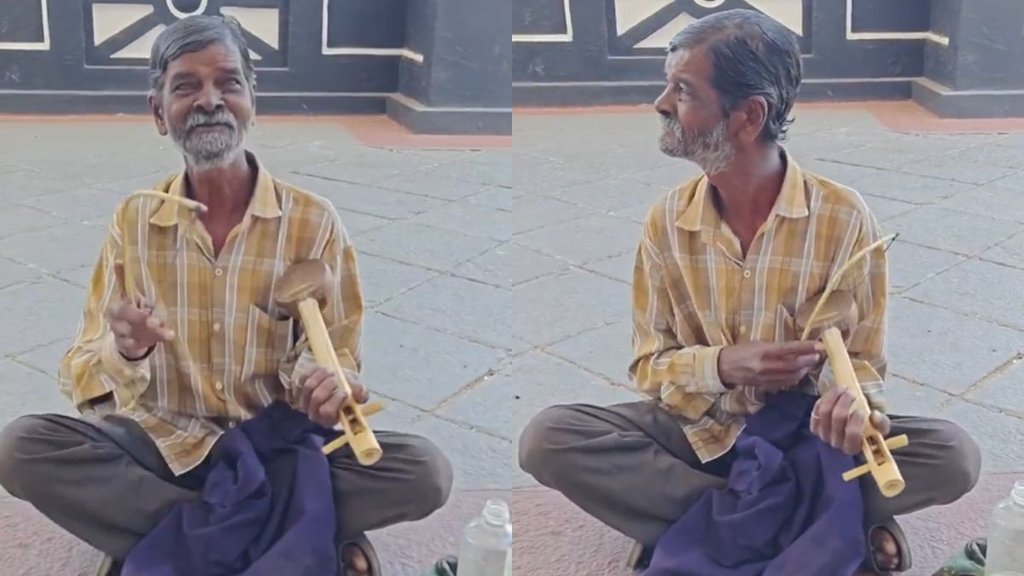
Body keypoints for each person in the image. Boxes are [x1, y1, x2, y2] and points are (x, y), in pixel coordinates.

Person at [517, 9, 981, 575]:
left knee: (952, 455)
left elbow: (859, 359)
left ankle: (702, 525)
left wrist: (851, 406)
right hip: (700, 433)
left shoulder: (841, 216)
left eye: (683, 90)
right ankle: (814, 522)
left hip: (806, 441)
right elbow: (649, 364)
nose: (661, 103)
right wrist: (724, 365)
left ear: (748, 115)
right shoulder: (667, 220)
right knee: (548, 438)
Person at [0, 15, 452, 576]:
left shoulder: (312, 222)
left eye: (228, 82)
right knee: (22, 447)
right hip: (165, 448)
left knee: (423, 471)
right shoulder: (134, 221)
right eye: (185, 86)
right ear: (159, 113)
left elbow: (338, 354)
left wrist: (325, 383)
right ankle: (287, 532)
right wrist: (128, 352)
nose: (209, 100)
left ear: (252, 101)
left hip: (275, 452)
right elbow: (83, 371)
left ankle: (182, 539)